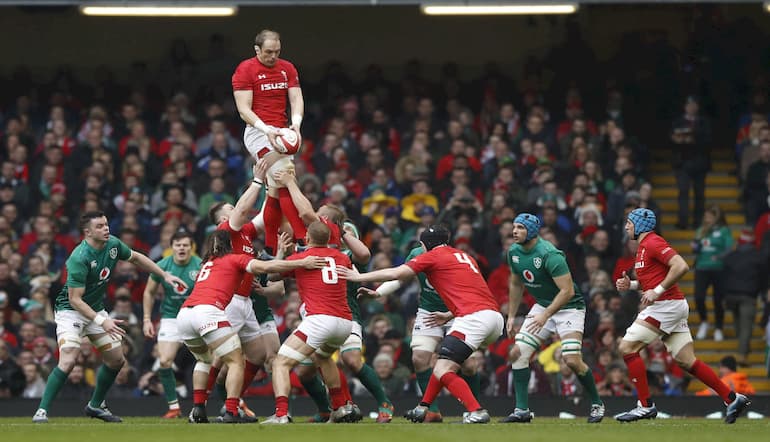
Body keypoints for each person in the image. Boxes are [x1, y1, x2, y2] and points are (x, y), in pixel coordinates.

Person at [32, 211, 189, 423]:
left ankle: (95, 406)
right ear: (87, 232)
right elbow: (76, 300)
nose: (106, 229)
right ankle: (42, 411)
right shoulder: (79, 258)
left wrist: (164, 275)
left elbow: (136, 257)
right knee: (68, 358)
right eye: (100, 226)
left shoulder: (113, 245)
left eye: (106, 224)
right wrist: (101, 321)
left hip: (95, 309)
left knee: (117, 360)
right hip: (70, 312)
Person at [339, 225, 503, 424]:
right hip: (479, 314)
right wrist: (380, 292)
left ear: (424, 244)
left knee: (450, 367)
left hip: (468, 317)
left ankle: (475, 410)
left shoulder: (431, 255)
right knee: (427, 359)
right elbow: (474, 292)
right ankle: (426, 409)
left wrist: (359, 277)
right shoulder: (463, 256)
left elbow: (396, 273)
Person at [614, 208, 751, 424]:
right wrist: (630, 285)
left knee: (626, 347)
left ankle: (645, 406)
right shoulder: (643, 247)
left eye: (629, 223)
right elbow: (652, 279)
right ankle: (732, 398)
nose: (626, 226)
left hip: (665, 306)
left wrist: (657, 291)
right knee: (686, 360)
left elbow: (681, 266)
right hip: (672, 305)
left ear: (640, 225)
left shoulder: (653, 242)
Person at [181, 230, 325, 424]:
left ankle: (198, 409)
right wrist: (302, 262)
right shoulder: (234, 258)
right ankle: (231, 411)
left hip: (185, 314)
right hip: (208, 312)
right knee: (235, 362)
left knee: (206, 361)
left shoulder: (206, 263)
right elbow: (267, 266)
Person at [502, 213, 605, 424]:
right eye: (514, 227)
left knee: (572, 360)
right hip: (543, 305)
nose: (514, 231)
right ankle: (522, 410)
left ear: (531, 231)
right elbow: (515, 283)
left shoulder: (550, 254)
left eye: (520, 227)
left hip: (569, 307)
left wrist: (546, 315)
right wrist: (511, 316)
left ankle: (597, 404)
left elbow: (567, 291)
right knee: (519, 353)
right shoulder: (513, 252)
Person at [366, 242, 482, 423]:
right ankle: (432, 411)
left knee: (468, 365)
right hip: (429, 311)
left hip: (456, 311)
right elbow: (401, 277)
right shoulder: (416, 254)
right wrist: (379, 292)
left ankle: (474, 410)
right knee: (419, 358)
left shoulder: (454, 257)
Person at [262, 222, 356, 424]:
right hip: (345, 322)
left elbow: (272, 276)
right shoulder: (342, 257)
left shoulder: (303, 258)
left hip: (320, 319)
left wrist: (282, 253)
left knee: (280, 363)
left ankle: (281, 414)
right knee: (322, 358)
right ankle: (341, 408)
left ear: (308, 239)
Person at [232, 29, 306, 254]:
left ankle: (270, 247)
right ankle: (303, 239)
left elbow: (296, 98)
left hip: (283, 132)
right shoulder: (245, 69)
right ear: (257, 50)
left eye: (277, 52)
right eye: (268, 52)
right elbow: (244, 110)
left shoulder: (288, 68)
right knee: (285, 175)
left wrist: (296, 124)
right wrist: (267, 129)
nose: (273, 56)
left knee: (275, 188)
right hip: (258, 132)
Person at [205, 161, 269, 417]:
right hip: (229, 300)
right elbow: (242, 209)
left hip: (246, 302)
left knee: (258, 355)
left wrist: (274, 188)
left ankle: (232, 402)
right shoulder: (225, 231)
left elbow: (265, 217)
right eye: (231, 208)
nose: (238, 210)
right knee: (221, 357)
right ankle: (201, 406)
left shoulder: (244, 232)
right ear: (223, 218)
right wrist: (257, 181)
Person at [142, 230, 202, 418]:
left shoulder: (200, 265)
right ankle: (174, 407)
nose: (182, 248)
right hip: (171, 318)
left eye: (185, 245)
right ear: (172, 247)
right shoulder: (162, 265)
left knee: (214, 361)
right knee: (165, 361)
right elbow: (149, 293)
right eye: (178, 245)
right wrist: (146, 319)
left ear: (191, 247)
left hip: (196, 316)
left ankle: (223, 404)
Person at [721, 229, 768, 365]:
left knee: (738, 325)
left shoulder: (731, 256)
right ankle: (742, 355)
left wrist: (723, 295)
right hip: (748, 295)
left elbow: (723, 277)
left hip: (731, 295)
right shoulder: (759, 257)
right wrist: (763, 292)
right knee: (746, 326)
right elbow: (764, 278)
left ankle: (744, 347)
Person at [692, 205, 733, 342]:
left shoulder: (724, 231)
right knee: (698, 296)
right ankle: (704, 321)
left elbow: (730, 248)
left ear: (717, 217)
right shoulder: (701, 230)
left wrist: (720, 257)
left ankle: (718, 328)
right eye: (706, 215)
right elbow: (696, 248)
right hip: (702, 267)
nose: (707, 218)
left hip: (718, 269)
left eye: (710, 216)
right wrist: (695, 246)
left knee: (718, 300)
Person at [670, 96, 711, 229]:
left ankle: (698, 222)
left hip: (700, 163)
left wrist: (692, 137)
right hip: (682, 163)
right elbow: (671, 141)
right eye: (689, 104)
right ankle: (683, 221)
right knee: (683, 192)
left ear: (697, 107)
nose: (691, 107)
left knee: (699, 194)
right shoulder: (677, 122)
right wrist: (679, 140)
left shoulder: (704, 122)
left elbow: (709, 140)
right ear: (685, 107)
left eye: (694, 104)